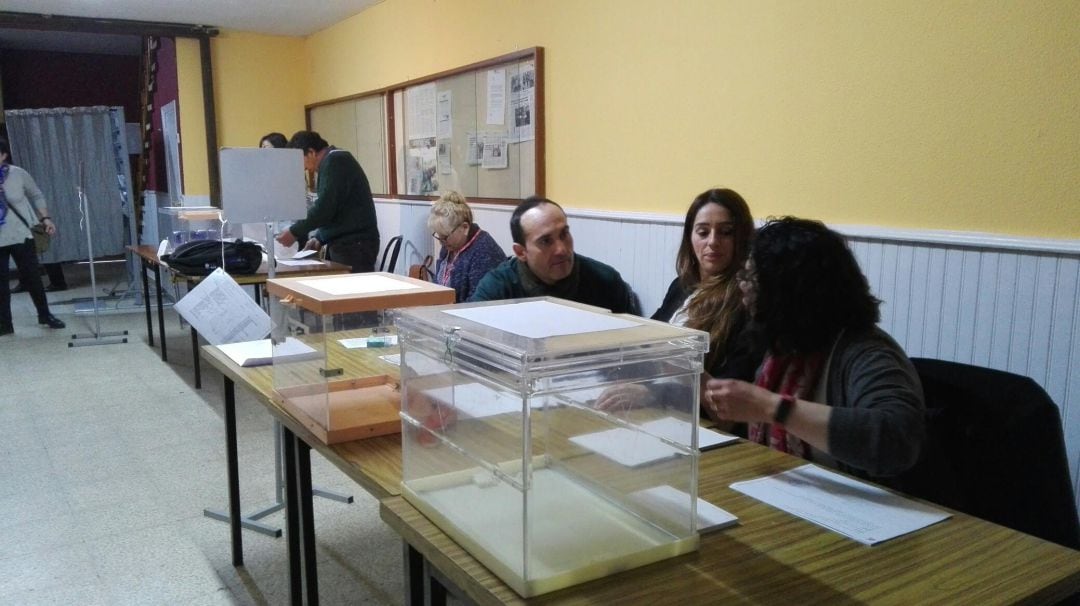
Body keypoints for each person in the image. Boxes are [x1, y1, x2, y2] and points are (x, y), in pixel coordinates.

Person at [705, 217, 925, 482]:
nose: (743, 285)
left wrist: (775, 408)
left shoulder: (867, 352)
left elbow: (896, 441)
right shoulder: (785, 346)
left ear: (792, 290)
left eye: (753, 278)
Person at [596, 188, 761, 417]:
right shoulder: (681, 286)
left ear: (741, 238)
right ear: (690, 238)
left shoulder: (745, 302)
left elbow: (729, 403)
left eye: (726, 232)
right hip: (655, 409)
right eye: (703, 232)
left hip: (696, 420)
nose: (713, 242)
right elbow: (646, 340)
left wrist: (652, 393)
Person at [469, 196, 640, 314]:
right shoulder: (497, 289)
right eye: (545, 241)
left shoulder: (605, 281)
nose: (562, 250)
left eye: (564, 234)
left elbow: (635, 350)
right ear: (521, 252)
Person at [275, 131, 380, 273]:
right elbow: (335, 208)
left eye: (301, 161)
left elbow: (325, 208)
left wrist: (294, 232)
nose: (304, 168)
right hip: (350, 243)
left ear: (311, 152)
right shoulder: (334, 160)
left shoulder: (335, 161)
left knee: (352, 292)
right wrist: (319, 237)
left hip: (354, 244)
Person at [0, 137, 65, 335]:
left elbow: (36, 194)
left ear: (3, 155)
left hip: (21, 234)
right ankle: (4, 324)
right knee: (0, 283)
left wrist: (45, 218)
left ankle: (45, 315)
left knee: (33, 278)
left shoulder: (18, 174)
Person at [427, 190, 506, 302]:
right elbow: (438, 285)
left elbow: (478, 303)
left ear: (465, 227)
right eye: (439, 236)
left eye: (445, 237)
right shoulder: (449, 245)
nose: (442, 242)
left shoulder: (484, 251)